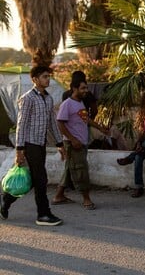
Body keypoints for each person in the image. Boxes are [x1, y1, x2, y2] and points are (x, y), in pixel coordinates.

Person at [0, 66, 65, 226]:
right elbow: (21, 125)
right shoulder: (27, 98)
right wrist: (19, 150)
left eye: (48, 76)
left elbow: (52, 123)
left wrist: (59, 143)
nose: (47, 79)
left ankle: (6, 200)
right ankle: (43, 214)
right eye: (44, 76)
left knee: (36, 180)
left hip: (40, 144)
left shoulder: (48, 99)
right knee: (41, 179)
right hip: (29, 145)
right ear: (35, 79)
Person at [53, 79, 109, 210]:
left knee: (70, 169)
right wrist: (72, 140)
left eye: (86, 88)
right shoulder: (67, 104)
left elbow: (85, 119)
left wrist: (100, 127)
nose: (86, 91)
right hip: (73, 144)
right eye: (83, 88)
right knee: (81, 171)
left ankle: (58, 196)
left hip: (81, 143)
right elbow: (60, 123)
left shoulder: (80, 103)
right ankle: (86, 199)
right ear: (74, 88)